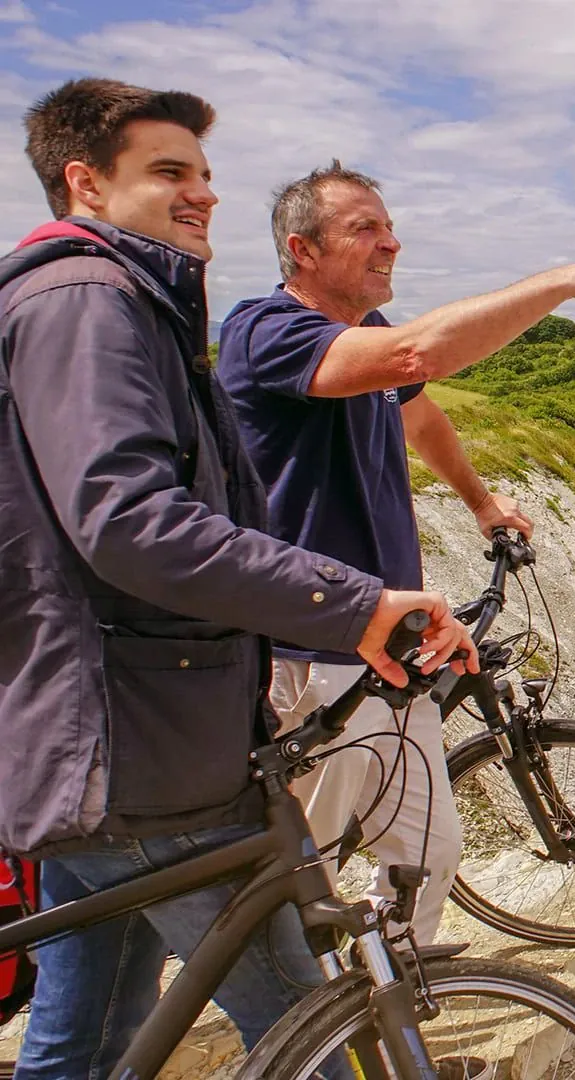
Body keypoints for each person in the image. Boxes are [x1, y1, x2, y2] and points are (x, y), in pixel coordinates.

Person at [0, 79, 477, 1078]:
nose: (204, 193)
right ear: (85, 182)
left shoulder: (118, 302)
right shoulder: (90, 301)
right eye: (169, 171)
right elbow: (127, 521)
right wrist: (353, 604)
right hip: (141, 754)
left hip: (101, 748)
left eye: (205, 173)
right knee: (324, 1034)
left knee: (83, 1049)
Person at [217, 160, 575, 944]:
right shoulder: (267, 332)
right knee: (306, 868)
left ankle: (394, 1033)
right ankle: (306, 1039)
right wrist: (565, 281)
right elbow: (418, 361)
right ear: (303, 249)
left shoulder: (371, 335)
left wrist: (484, 503)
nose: (391, 242)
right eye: (364, 228)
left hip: (391, 648)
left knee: (427, 851)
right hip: (311, 649)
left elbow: (420, 417)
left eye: (389, 227)